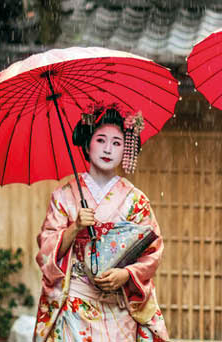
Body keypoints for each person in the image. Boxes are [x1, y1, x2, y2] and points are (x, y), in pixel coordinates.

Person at [32, 103, 169, 342]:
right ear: (87, 143)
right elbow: (45, 250)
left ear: (126, 149)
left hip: (118, 307)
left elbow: (152, 252)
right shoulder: (64, 195)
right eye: (101, 140)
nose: (108, 149)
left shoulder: (136, 200)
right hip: (75, 306)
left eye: (117, 143)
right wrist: (74, 228)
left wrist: (126, 275)